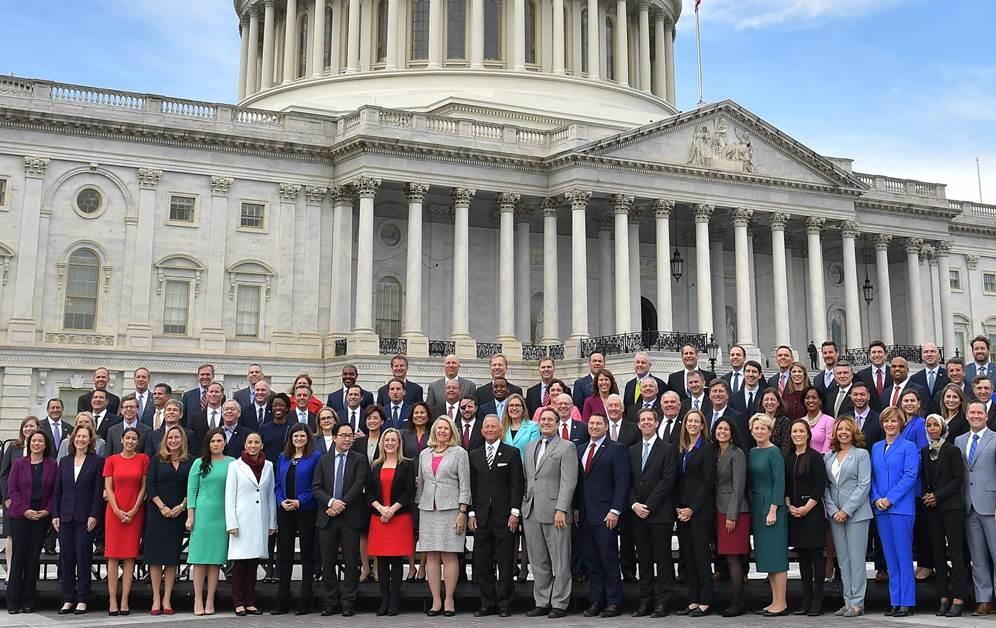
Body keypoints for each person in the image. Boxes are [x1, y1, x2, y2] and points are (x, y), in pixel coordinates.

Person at [522, 408, 578, 619]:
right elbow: (529, 478)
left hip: (556, 512)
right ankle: (542, 600)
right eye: (542, 419)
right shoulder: (530, 447)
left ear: (557, 423)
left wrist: (562, 509)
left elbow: (569, 481)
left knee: (560, 560)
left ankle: (560, 602)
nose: (545, 423)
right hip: (532, 510)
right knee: (538, 560)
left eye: (550, 420)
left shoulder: (567, 447)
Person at [575, 413, 630, 618]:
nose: (594, 426)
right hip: (585, 515)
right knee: (591, 561)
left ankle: (614, 601)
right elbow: (580, 484)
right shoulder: (580, 449)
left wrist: (615, 510)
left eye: (599, 423)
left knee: (608, 559)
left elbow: (621, 482)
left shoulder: (616, 449)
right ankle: (596, 600)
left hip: (606, 514)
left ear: (606, 427)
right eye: (592, 423)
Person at [468, 414, 523, 617]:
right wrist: (471, 512)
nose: (489, 430)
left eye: (493, 426)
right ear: (482, 431)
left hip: (505, 516)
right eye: (486, 427)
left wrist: (515, 512)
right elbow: (472, 486)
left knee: (505, 562)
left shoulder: (512, 453)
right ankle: (487, 603)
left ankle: (504, 603)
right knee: (482, 562)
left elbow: (517, 484)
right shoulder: (474, 454)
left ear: (500, 430)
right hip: (482, 517)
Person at [416, 415, 471, 616]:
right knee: (431, 555)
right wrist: (419, 506)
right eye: (439, 428)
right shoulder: (424, 454)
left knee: (448, 554)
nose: (442, 431)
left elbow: (465, 484)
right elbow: (420, 483)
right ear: (434, 431)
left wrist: (462, 511)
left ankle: (449, 600)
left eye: (446, 429)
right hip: (428, 509)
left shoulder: (459, 453)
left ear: (452, 432)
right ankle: (435, 601)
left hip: (451, 510)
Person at [313, 422, 370, 617]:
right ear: (334, 437)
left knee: (351, 562)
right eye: (343, 435)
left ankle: (348, 602)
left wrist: (340, 504)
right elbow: (317, 487)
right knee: (327, 562)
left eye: (350, 436)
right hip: (327, 518)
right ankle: (329, 602)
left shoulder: (360, 460)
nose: (347, 439)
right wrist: (331, 503)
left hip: (350, 517)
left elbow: (358, 485)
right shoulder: (323, 460)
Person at [870, 406, 918, 617]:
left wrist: (890, 499)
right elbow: (871, 477)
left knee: (903, 556)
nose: (890, 425)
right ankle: (895, 600)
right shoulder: (876, 447)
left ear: (901, 423)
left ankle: (906, 601)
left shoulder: (909, 446)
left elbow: (910, 476)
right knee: (890, 557)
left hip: (901, 509)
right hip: (881, 509)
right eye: (886, 421)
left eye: (894, 421)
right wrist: (877, 498)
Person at [52, 424, 103, 615]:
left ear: (90, 440)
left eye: (84, 437)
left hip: (85, 518)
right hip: (65, 517)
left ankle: (82, 598)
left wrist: (94, 515)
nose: (81, 439)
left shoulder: (97, 461)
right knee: (66, 558)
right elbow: (57, 491)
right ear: (73, 439)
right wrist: (55, 514)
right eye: (78, 436)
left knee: (83, 558)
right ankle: (67, 598)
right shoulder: (64, 461)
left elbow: (98, 492)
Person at [823, 416, 872, 617]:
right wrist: (834, 510)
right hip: (835, 515)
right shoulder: (828, 457)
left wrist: (846, 510)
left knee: (856, 559)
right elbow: (825, 486)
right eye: (840, 429)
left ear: (853, 433)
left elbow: (864, 485)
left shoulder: (861, 454)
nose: (843, 432)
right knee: (842, 560)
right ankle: (847, 600)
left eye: (847, 429)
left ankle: (858, 602)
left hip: (857, 514)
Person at [921, 413, 967, 617]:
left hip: (951, 507)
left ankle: (959, 596)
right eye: (929, 426)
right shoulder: (924, 451)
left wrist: (937, 496)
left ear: (942, 428)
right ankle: (943, 597)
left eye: (935, 425)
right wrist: (927, 496)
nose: (932, 429)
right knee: (937, 552)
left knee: (956, 553)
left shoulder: (953, 450)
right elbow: (924, 479)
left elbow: (958, 480)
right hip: (933, 509)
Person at [272, 423, 321, 615]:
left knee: (307, 554)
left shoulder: (315, 457)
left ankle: (305, 599)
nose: (299, 439)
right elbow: (277, 485)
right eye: (295, 436)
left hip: (306, 510)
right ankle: (282, 600)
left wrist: (299, 501)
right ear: (290, 439)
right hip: (285, 511)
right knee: (285, 554)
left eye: (302, 436)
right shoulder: (282, 457)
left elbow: (316, 485)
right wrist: (281, 501)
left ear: (308, 438)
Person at [5, 429, 56, 615]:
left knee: (33, 559)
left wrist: (46, 511)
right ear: (29, 443)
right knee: (18, 558)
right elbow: (13, 490)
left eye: (40, 441)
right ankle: (13, 601)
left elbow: (54, 492)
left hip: (41, 518)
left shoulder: (52, 465)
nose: (36, 444)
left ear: (45, 445)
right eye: (34, 441)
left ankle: (28, 601)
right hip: (20, 516)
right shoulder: (19, 464)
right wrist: (25, 510)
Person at [226, 432, 276, 616]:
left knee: (253, 563)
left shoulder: (268, 466)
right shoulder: (235, 466)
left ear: (262, 445)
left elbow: (270, 494)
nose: (253, 445)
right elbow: (229, 496)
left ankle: (250, 601)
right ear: (245, 445)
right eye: (250, 442)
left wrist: (272, 521)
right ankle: (238, 602)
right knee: (240, 564)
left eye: (256, 442)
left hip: (260, 520)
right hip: (241, 520)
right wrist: (231, 522)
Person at [145, 425, 194, 615]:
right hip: (158, 513)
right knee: (156, 558)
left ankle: (167, 598)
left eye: (177, 438)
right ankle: (156, 597)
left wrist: (182, 506)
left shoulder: (190, 461)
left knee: (171, 558)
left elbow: (192, 486)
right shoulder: (157, 460)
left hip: (178, 514)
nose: (173, 441)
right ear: (165, 440)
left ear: (182, 440)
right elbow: (150, 486)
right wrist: (162, 507)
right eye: (170, 438)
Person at [367, 428, 416, 616]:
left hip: (399, 518)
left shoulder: (407, 465)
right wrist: (381, 509)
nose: (389, 443)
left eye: (393, 440)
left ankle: (394, 601)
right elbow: (369, 491)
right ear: (382, 443)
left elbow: (408, 491)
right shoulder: (375, 465)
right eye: (386, 439)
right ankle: (384, 601)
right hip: (379, 518)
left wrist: (391, 510)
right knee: (381, 561)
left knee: (396, 562)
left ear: (399, 443)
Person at [186, 427, 234, 616]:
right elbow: (191, 491)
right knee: (199, 560)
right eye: (212, 441)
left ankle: (210, 599)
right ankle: (198, 598)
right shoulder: (199, 463)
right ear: (208, 443)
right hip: (203, 515)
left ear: (225, 442)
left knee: (215, 561)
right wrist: (191, 516)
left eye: (219, 440)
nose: (216, 444)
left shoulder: (232, 463)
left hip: (222, 516)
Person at [955, 400, 996, 617]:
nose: (976, 416)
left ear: (986, 416)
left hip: (991, 506)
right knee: (978, 557)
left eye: (980, 412)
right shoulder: (959, 440)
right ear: (967, 416)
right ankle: (984, 600)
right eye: (972, 412)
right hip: (968, 506)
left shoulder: (995, 439)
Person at [103, 426, 149, 615]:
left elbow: (143, 488)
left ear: (137, 442)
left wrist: (134, 509)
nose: (130, 441)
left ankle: (124, 600)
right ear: (121, 440)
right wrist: (117, 510)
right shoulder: (111, 460)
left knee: (130, 557)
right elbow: (109, 488)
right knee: (113, 557)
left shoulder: (143, 460)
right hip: (114, 513)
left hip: (134, 512)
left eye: (133, 439)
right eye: (127, 438)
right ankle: (112, 599)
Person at [675, 409, 716, 617]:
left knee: (701, 556)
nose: (692, 424)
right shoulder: (682, 449)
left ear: (702, 425)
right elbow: (678, 480)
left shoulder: (707, 449)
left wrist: (692, 508)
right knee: (688, 556)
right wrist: (679, 507)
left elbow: (708, 481)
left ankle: (706, 601)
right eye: (689, 421)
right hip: (682, 510)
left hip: (699, 510)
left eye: (696, 421)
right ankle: (693, 599)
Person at [785, 419, 828, 616]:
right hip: (794, 512)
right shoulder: (789, 458)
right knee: (802, 557)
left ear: (808, 434)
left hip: (812, 512)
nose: (798, 434)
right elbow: (785, 486)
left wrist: (806, 508)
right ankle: (806, 599)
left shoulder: (815, 457)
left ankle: (818, 599)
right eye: (794, 431)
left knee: (816, 557)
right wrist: (789, 506)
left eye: (801, 431)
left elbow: (820, 485)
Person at [748, 413, 788, 616]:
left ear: (770, 431)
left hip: (772, 507)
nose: (759, 431)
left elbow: (779, 482)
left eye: (763, 428)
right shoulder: (753, 452)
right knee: (767, 557)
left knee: (777, 556)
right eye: (756, 428)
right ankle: (774, 600)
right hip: (757, 505)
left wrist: (773, 509)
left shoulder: (774, 453)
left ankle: (781, 602)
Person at [712, 416, 749, 617]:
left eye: (726, 429)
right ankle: (733, 599)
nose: (722, 432)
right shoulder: (715, 452)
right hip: (718, 509)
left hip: (733, 511)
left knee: (734, 559)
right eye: (719, 429)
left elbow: (738, 486)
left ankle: (738, 602)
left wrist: (732, 514)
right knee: (727, 558)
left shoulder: (737, 453)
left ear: (732, 432)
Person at [1, 415, 40, 578]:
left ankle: (25, 572)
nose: (28, 429)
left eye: (32, 426)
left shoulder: (41, 447)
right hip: (12, 500)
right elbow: (4, 474)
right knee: (11, 536)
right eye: (26, 426)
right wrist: (6, 497)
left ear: (38, 428)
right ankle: (11, 571)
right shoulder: (13, 447)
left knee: (29, 539)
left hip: (32, 501)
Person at [401, 400, 432, 580]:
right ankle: (412, 566)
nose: (419, 416)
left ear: (427, 415)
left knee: (425, 529)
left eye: (422, 413)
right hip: (410, 485)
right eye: (416, 413)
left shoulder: (433, 434)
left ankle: (422, 567)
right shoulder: (405, 434)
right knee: (411, 529)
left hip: (429, 485)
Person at [501, 392, 540, 459]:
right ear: (507, 409)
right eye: (511, 405)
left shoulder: (533, 427)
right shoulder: (502, 428)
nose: (514, 408)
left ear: (523, 409)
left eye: (517, 405)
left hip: (524, 467)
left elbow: (533, 451)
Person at [800, 385, 835, 453]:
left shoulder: (829, 421)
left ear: (820, 401)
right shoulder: (801, 422)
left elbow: (828, 448)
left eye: (814, 398)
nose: (810, 400)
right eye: (807, 398)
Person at [759, 388, 792, 455]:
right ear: (762, 403)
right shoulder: (757, 420)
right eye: (766, 399)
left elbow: (786, 448)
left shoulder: (785, 422)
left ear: (778, 403)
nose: (769, 402)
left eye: (772, 399)